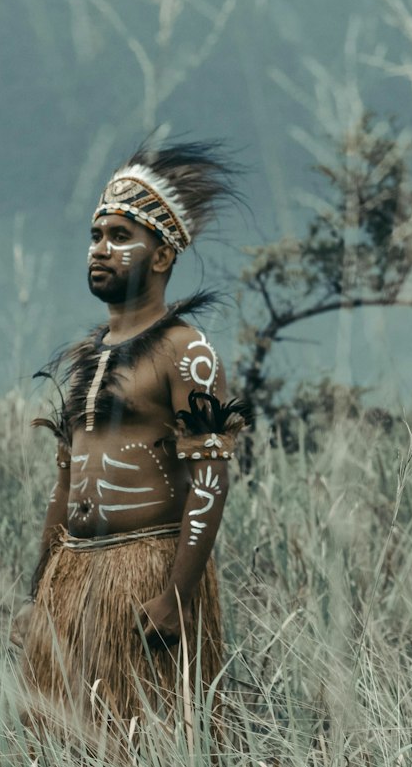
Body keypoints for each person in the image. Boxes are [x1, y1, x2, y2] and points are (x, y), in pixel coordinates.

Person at [18, 141, 251, 735]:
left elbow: (210, 478)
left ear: (164, 254)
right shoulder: (86, 354)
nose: (101, 249)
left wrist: (179, 591)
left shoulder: (186, 351)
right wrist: (39, 588)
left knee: (151, 751)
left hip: (147, 577)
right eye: (96, 235)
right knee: (62, 756)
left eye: (122, 236)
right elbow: (65, 478)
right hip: (71, 580)